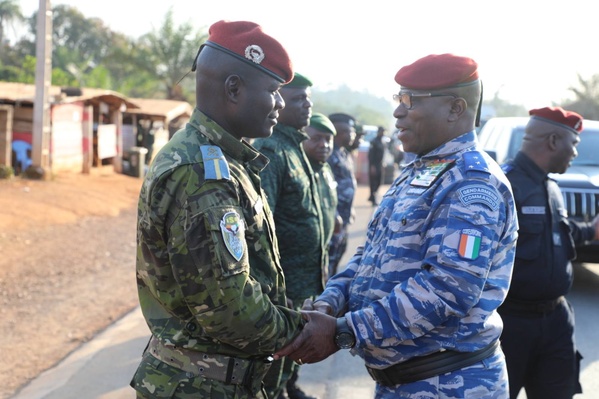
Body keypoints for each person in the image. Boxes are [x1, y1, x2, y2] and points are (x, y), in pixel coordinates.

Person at [274, 53, 519, 399]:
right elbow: (371, 254)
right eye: (398, 99)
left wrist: (344, 331)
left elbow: (448, 288)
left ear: (455, 109)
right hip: (403, 383)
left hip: (449, 384)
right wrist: (331, 302)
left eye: (410, 101)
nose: (398, 111)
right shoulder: (420, 170)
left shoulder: (471, 183)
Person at [130, 20, 305, 399]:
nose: (280, 104)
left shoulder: (224, 160)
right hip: (201, 386)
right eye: (274, 91)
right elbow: (229, 309)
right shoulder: (199, 172)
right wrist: (304, 332)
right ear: (233, 88)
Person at [498, 106, 599, 399]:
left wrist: (591, 231)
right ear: (553, 141)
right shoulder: (503, 186)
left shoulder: (551, 186)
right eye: (574, 144)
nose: (575, 153)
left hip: (555, 322)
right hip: (510, 325)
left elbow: (559, 236)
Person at [253, 73, 324, 399]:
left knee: (291, 355)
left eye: (308, 98)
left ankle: (287, 387)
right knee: (273, 363)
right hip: (283, 286)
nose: (306, 104)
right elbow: (261, 225)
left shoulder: (294, 147)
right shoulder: (272, 150)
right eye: (298, 98)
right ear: (278, 104)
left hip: (301, 281)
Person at [303, 113, 339, 281]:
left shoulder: (325, 169)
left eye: (328, 139)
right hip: (297, 269)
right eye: (316, 138)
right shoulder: (298, 170)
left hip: (321, 259)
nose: (324, 145)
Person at [326, 113, 357, 276]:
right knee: (329, 261)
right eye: (349, 131)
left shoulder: (344, 153)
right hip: (334, 219)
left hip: (344, 218)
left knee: (338, 255)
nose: (353, 135)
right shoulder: (328, 154)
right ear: (340, 132)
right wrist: (334, 214)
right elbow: (325, 188)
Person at [367, 126, 386, 205]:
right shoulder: (374, 142)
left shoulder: (382, 141)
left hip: (379, 164)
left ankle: (372, 196)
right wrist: (372, 166)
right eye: (382, 131)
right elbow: (370, 155)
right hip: (373, 164)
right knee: (373, 182)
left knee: (379, 181)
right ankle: (373, 198)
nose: (383, 133)